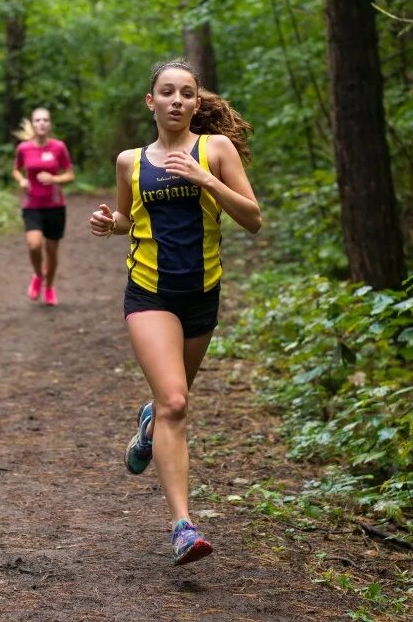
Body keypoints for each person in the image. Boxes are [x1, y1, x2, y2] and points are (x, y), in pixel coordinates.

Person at [89, 60, 262, 566]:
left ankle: (147, 429)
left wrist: (206, 179)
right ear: (152, 101)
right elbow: (127, 217)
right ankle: (183, 526)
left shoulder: (217, 150)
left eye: (187, 93)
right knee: (175, 402)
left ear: (196, 102)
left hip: (201, 293)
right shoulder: (130, 161)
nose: (177, 101)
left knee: (170, 405)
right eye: (167, 93)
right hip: (149, 294)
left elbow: (252, 219)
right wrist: (109, 222)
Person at [12, 107, 74, 306]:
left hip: (55, 205)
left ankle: (49, 287)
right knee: (34, 244)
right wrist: (21, 180)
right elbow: (16, 170)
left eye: (45, 120)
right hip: (32, 205)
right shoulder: (23, 148)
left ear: (50, 124)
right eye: (37, 120)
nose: (41, 123)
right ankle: (39, 275)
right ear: (33, 123)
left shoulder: (58, 147)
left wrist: (54, 178)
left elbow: (70, 175)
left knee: (52, 250)